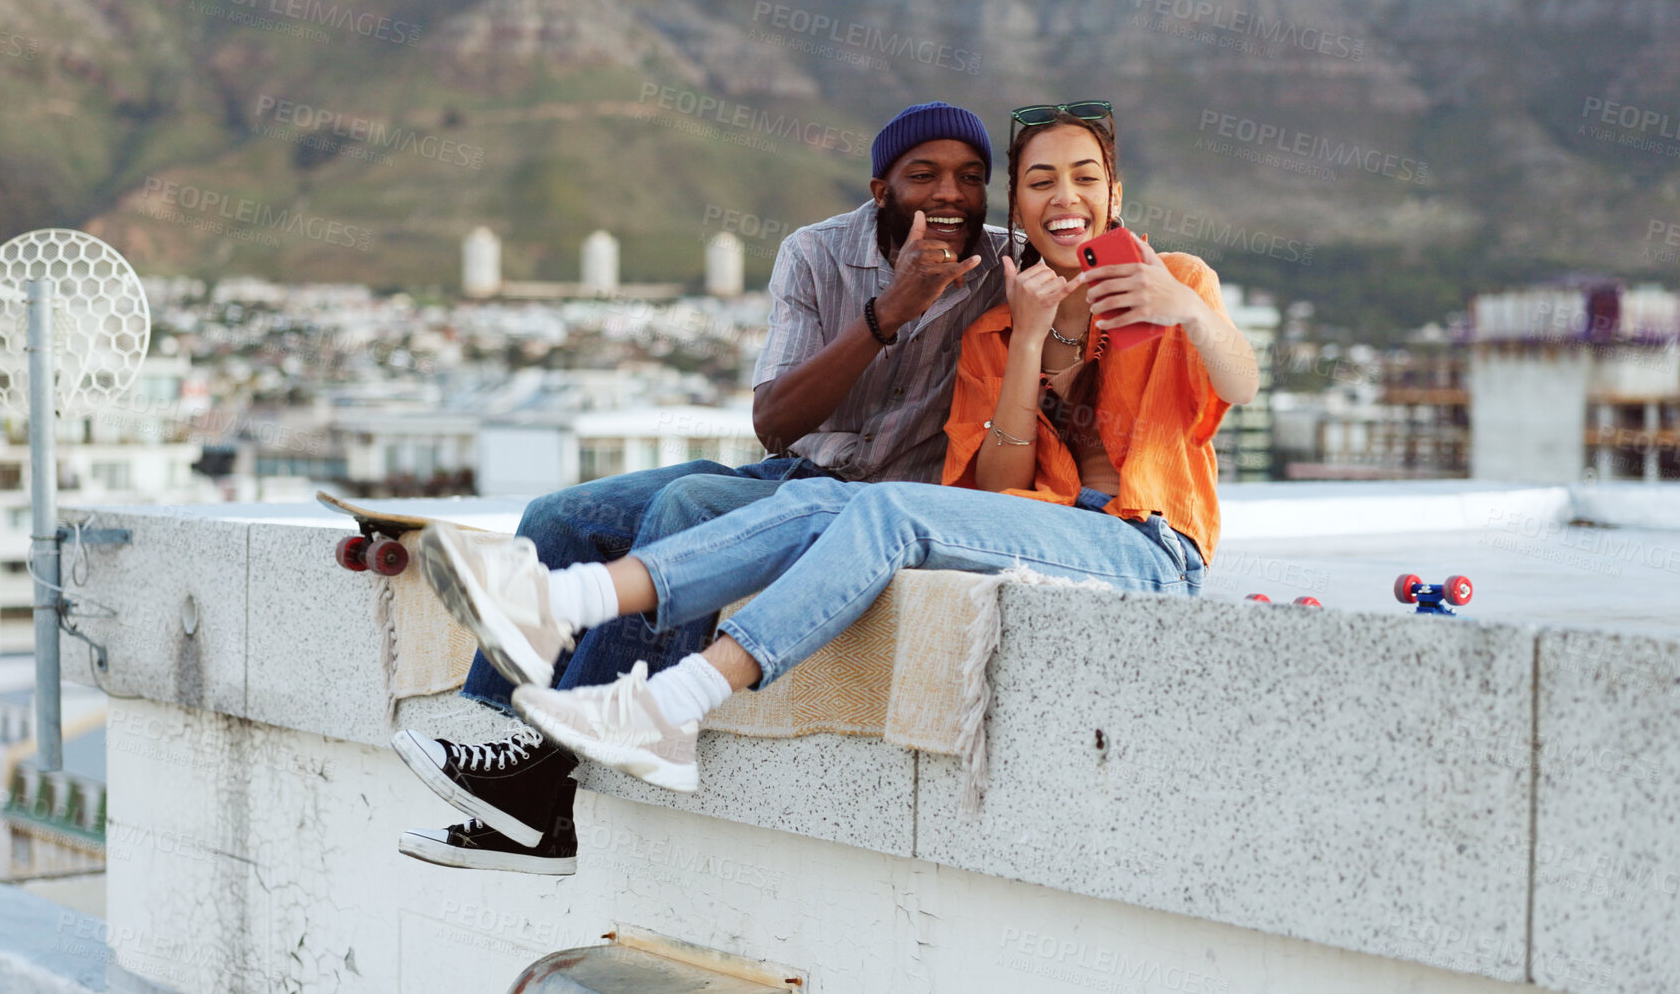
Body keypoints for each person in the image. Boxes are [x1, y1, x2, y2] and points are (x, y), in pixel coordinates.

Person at [406, 101, 1261, 871]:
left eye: (1082, 177)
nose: (1059, 195)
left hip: (1148, 540)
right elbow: (998, 487)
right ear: (1021, 206)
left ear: (1115, 193)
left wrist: (1187, 311)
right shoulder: (1001, 315)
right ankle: (529, 703)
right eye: (1039, 180)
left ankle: (624, 687)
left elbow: (1241, 382)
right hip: (992, 512)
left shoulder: (1176, 281)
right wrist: (1030, 338)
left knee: (840, 506)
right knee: (636, 508)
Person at [395, 102, 1012, 872]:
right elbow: (775, 423)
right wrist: (889, 313)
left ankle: (536, 782)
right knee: (558, 515)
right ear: (880, 187)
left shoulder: (1005, 270)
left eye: (971, 177)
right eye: (924, 174)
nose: (950, 192)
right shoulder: (816, 253)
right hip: (795, 470)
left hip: (881, 507)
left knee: (686, 507)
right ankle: (525, 789)